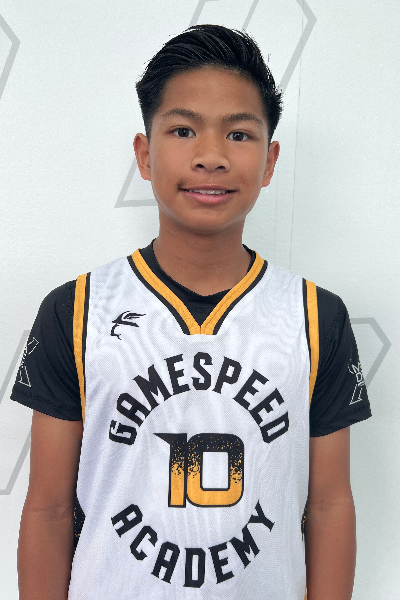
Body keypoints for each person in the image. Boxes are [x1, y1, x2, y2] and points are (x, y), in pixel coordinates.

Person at [13, 24, 371, 600]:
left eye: (239, 134)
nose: (211, 156)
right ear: (144, 154)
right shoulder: (75, 309)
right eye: (183, 130)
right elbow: (50, 508)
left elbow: (329, 505)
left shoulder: (316, 316)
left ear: (270, 160)